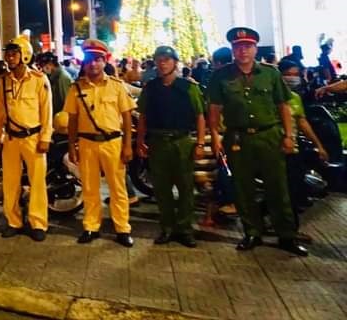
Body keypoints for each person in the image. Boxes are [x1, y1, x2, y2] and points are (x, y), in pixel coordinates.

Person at [207, 27, 307, 256]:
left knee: (277, 187)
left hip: (269, 136)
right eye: (238, 47)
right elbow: (214, 109)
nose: (242, 51)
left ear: (254, 49)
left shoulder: (270, 74)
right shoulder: (221, 76)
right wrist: (215, 137)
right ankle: (252, 232)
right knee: (243, 188)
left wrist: (289, 136)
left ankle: (287, 236)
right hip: (237, 138)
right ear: (233, 50)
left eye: (247, 46)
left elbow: (283, 106)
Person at [65, 39, 136, 247]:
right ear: (84, 63)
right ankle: (90, 226)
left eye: (97, 60)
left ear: (105, 61)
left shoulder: (116, 86)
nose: (93, 64)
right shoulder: (76, 88)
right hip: (87, 143)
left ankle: (122, 228)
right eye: (89, 60)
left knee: (118, 188)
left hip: (113, 142)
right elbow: (72, 120)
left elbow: (127, 117)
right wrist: (71, 145)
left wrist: (128, 145)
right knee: (89, 187)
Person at [136, 46, 206, 247]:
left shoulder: (189, 88)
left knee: (185, 187)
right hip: (158, 142)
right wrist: (141, 141)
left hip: (182, 142)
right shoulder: (150, 88)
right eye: (159, 59)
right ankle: (167, 227)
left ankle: (184, 229)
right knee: (161, 188)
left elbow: (200, 116)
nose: (163, 63)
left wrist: (200, 143)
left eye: (167, 59)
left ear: (175, 62)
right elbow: (143, 116)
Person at [0, 37, 52, 242]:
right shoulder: (4, 81)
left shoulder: (38, 79)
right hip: (10, 139)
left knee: (37, 183)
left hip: (33, 139)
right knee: (10, 183)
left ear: (24, 55)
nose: (9, 58)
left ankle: (38, 223)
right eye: (7, 54)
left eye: (13, 54)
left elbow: (47, 111)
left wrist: (46, 137)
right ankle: (13, 221)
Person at [279, 59, 330, 232]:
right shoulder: (269, 97)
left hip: (293, 148)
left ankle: (289, 229)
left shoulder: (295, 98)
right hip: (274, 150)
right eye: (289, 75)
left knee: (294, 187)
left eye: (295, 75)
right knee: (281, 189)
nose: (293, 78)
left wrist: (319, 145)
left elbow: (302, 122)